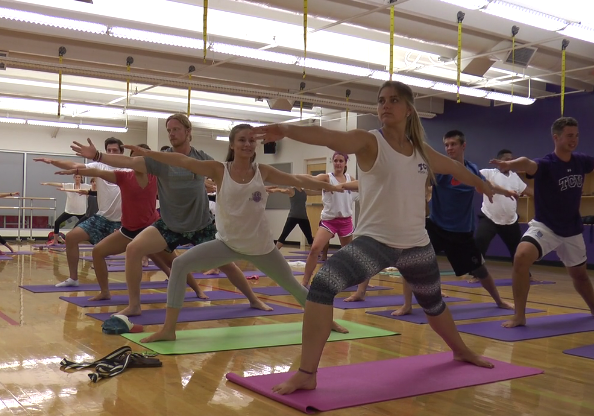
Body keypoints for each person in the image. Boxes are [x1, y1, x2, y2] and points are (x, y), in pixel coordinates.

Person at [251, 80, 496, 395]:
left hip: (417, 245)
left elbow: (453, 168)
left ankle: (460, 351)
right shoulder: (370, 141)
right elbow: (327, 136)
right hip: (376, 243)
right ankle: (307, 373)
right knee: (323, 285)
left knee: (433, 303)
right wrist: (286, 129)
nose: (385, 105)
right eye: (381, 100)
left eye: (393, 100)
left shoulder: (421, 150)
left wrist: (484, 186)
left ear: (409, 109)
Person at [123, 125, 348, 342]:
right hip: (227, 244)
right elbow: (183, 161)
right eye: (242, 140)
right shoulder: (219, 170)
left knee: (293, 285)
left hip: (261, 247)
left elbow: (297, 180)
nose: (247, 144)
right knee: (180, 264)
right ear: (232, 144)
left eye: (251, 140)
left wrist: (332, 187)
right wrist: (149, 154)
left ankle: (327, 321)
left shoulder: (262, 171)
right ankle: (168, 330)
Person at [70, 113, 270, 316]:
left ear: (188, 131)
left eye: (176, 129)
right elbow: (129, 162)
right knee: (134, 249)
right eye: (169, 130)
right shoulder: (161, 159)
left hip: (200, 224)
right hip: (169, 225)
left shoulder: (201, 158)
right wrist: (98, 156)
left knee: (227, 265)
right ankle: (134, 305)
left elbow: (226, 176)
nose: (172, 134)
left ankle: (253, 300)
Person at [349, 130, 515, 314]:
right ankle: (407, 305)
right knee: (410, 261)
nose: (449, 148)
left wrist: (506, 192)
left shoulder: (472, 170)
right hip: (436, 228)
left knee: (480, 270)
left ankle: (499, 301)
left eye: (453, 144)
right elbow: (418, 179)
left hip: (461, 233)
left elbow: (486, 184)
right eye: (446, 145)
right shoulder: (440, 171)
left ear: (463, 146)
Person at [54, 144, 207, 301]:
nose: (138, 162)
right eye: (134, 159)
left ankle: (197, 290)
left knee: (174, 261)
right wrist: (77, 171)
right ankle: (105, 292)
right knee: (98, 252)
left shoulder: (156, 178)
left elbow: (177, 169)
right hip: (128, 231)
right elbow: (98, 172)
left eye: (142, 159)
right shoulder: (124, 177)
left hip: (152, 230)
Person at [491, 117, 594, 328]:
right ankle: (519, 316)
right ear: (556, 137)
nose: (574, 140)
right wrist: (509, 164)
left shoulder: (581, 161)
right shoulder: (547, 164)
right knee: (521, 256)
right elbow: (527, 163)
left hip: (572, 230)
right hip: (545, 227)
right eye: (569, 136)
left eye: (576, 135)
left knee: (580, 276)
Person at [34, 137, 126, 287]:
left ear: (122, 152)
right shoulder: (99, 166)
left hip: (123, 221)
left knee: (149, 249)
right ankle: (73, 278)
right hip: (102, 218)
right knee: (71, 238)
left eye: (115, 150)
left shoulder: (128, 169)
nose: (111, 153)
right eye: (108, 150)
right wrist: (52, 161)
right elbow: (74, 165)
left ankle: (167, 273)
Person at [471, 149, 538, 283]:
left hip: (510, 221)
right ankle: (476, 274)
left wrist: (546, 196)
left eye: (512, 160)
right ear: (499, 161)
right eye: (507, 160)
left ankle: (525, 274)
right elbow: (475, 177)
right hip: (489, 218)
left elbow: (528, 191)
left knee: (518, 249)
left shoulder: (515, 177)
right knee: (479, 242)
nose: (510, 162)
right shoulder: (488, 173)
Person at [300, 152, 355, 287]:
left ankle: (357, 281)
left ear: (345, 163)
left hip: (345, 221)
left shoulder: (350, 179)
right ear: (332, 162)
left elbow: (363, 189)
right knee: (315, 249)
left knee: (349, 254)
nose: (338, 163)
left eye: (341, 161)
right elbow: (311, 180)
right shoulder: (326, 178)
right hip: (329, 221)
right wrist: (298, 180)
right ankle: (305, 281)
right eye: (335, 161)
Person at [41, 174, 91, 245]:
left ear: (81, 178)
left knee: (86, 226)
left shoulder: (85, 186)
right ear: (74, 178)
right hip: (69, 210)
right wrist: (48, 183)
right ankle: (55, 241)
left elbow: (95, 187)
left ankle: (92, 241)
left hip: (81, 211)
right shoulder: (69, 185)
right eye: (76, 177)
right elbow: (58, 184)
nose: (77, 179)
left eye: (79, 177)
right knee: (57, 222)